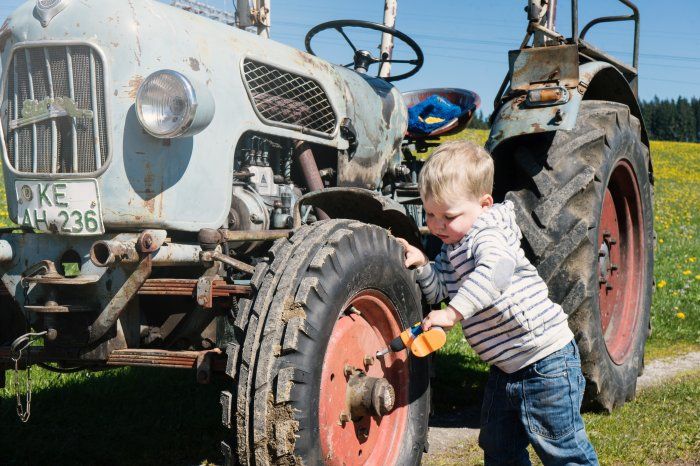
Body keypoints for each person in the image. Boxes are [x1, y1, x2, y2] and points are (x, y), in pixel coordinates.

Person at [397, 140, 599, 466]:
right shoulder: (451, 250)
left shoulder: (489, 235)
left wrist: (452, 314)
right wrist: (423, 266)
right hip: (506, 370)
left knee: (562, 449)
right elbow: (439, 292)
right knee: (499, 448)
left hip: (546, 361)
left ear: (485, 204)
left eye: (448, 216)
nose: (436, 225)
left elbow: (494, 275)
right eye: (430, 214)